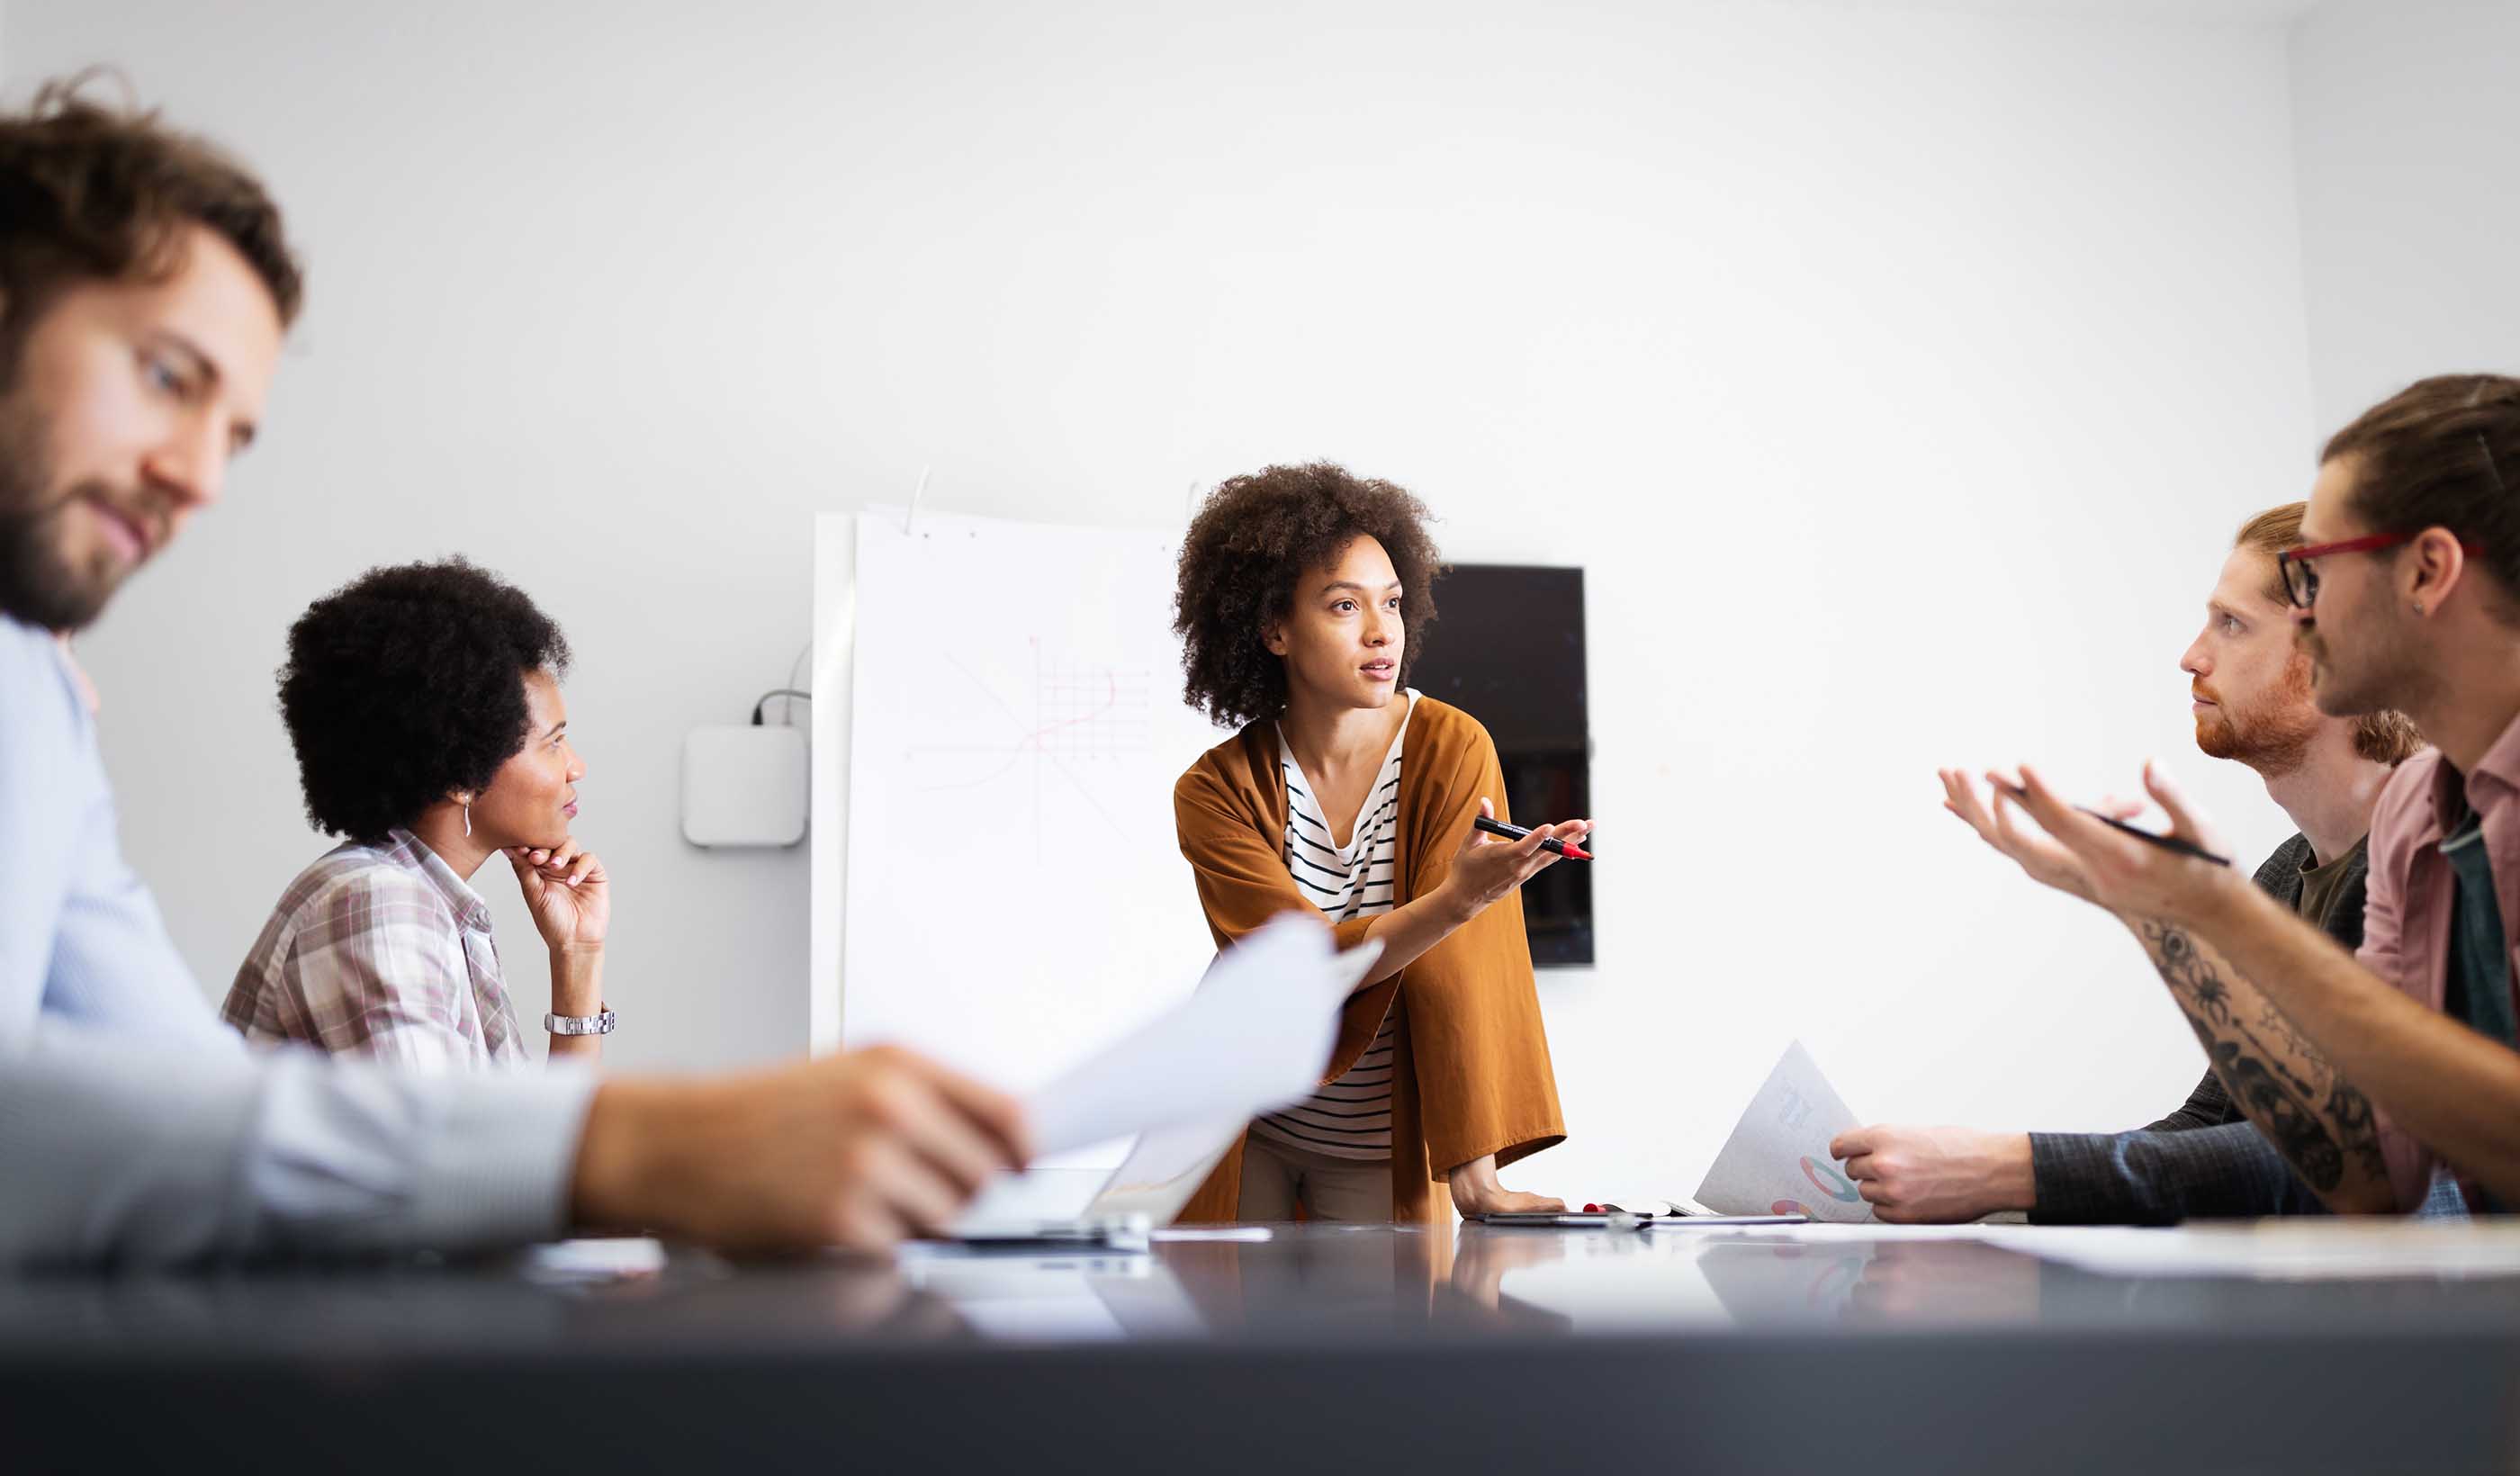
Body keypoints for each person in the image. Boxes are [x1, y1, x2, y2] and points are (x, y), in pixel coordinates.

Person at [0, 78, 1025, 1266]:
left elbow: (166, 1102)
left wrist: (585, 1011)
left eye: (234, 436)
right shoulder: (376, 897)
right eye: (169, 377)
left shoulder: (34, 693)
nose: (199, 479)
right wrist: (646, 1145)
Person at [1987, 374, 2520, 1215]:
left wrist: (2223, 918)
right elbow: (2369, 1169)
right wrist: (2185, 917)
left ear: (2426, 572)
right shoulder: (2428, 810)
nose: (2305, 614)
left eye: (2316, 572)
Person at [1834, 504, 2424, 1223]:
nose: (2192, 656)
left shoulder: (2440, 861)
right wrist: (1991, 1197)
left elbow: (2356, 1165)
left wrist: (2009, 1172)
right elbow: (2214, 1128)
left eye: (2231, 624)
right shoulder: (2287, 873)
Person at [1168, 462, 1581, 1221]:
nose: (1379, 630)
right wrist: (1456, 900)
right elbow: (1299, 966)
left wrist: (1475, 1176)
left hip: (1385, 1147)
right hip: (1246, 1127)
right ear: (1273, 629)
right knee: (1227, 1334)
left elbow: (1461, 964)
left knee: (1391, 1336)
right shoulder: (1215, 790)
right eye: (1342, 605)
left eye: (1390, 602)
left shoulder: (1453, 746)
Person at [224, 560, 616, 1066]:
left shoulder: (432, 906)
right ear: (461, 773)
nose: (576, 767)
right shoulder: (377, 904)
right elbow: (442, 1145)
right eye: (554, 743)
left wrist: (577, 956)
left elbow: (548, 1140)